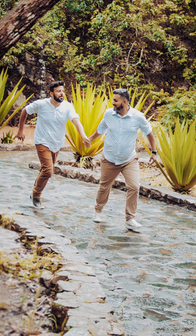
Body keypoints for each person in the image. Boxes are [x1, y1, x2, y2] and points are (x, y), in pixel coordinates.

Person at [88, 88, 157, 231]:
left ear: (124, 102)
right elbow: (100, 130)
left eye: (115, 100)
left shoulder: (138, 117)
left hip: (128, 159)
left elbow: (149, 133)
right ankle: (98, 211)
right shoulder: (108, 114)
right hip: (109, 158)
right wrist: (89, 139)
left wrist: (154, 151)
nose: (112, 102)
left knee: (134, 187)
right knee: (104, 186)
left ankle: (130, 218)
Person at [16, 80, 88, 208]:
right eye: (58, 91)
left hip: (57, 143)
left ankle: (35, 189)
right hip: (42, 141)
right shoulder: (41, 104)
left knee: (45, 170)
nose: (62, 94)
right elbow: (25, 111)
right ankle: (36, 196)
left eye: (63, 91)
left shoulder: (67, 106)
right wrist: (20, 130)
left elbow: (76, 121)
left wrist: (83, 136)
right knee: (49, 171)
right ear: (51, 93)